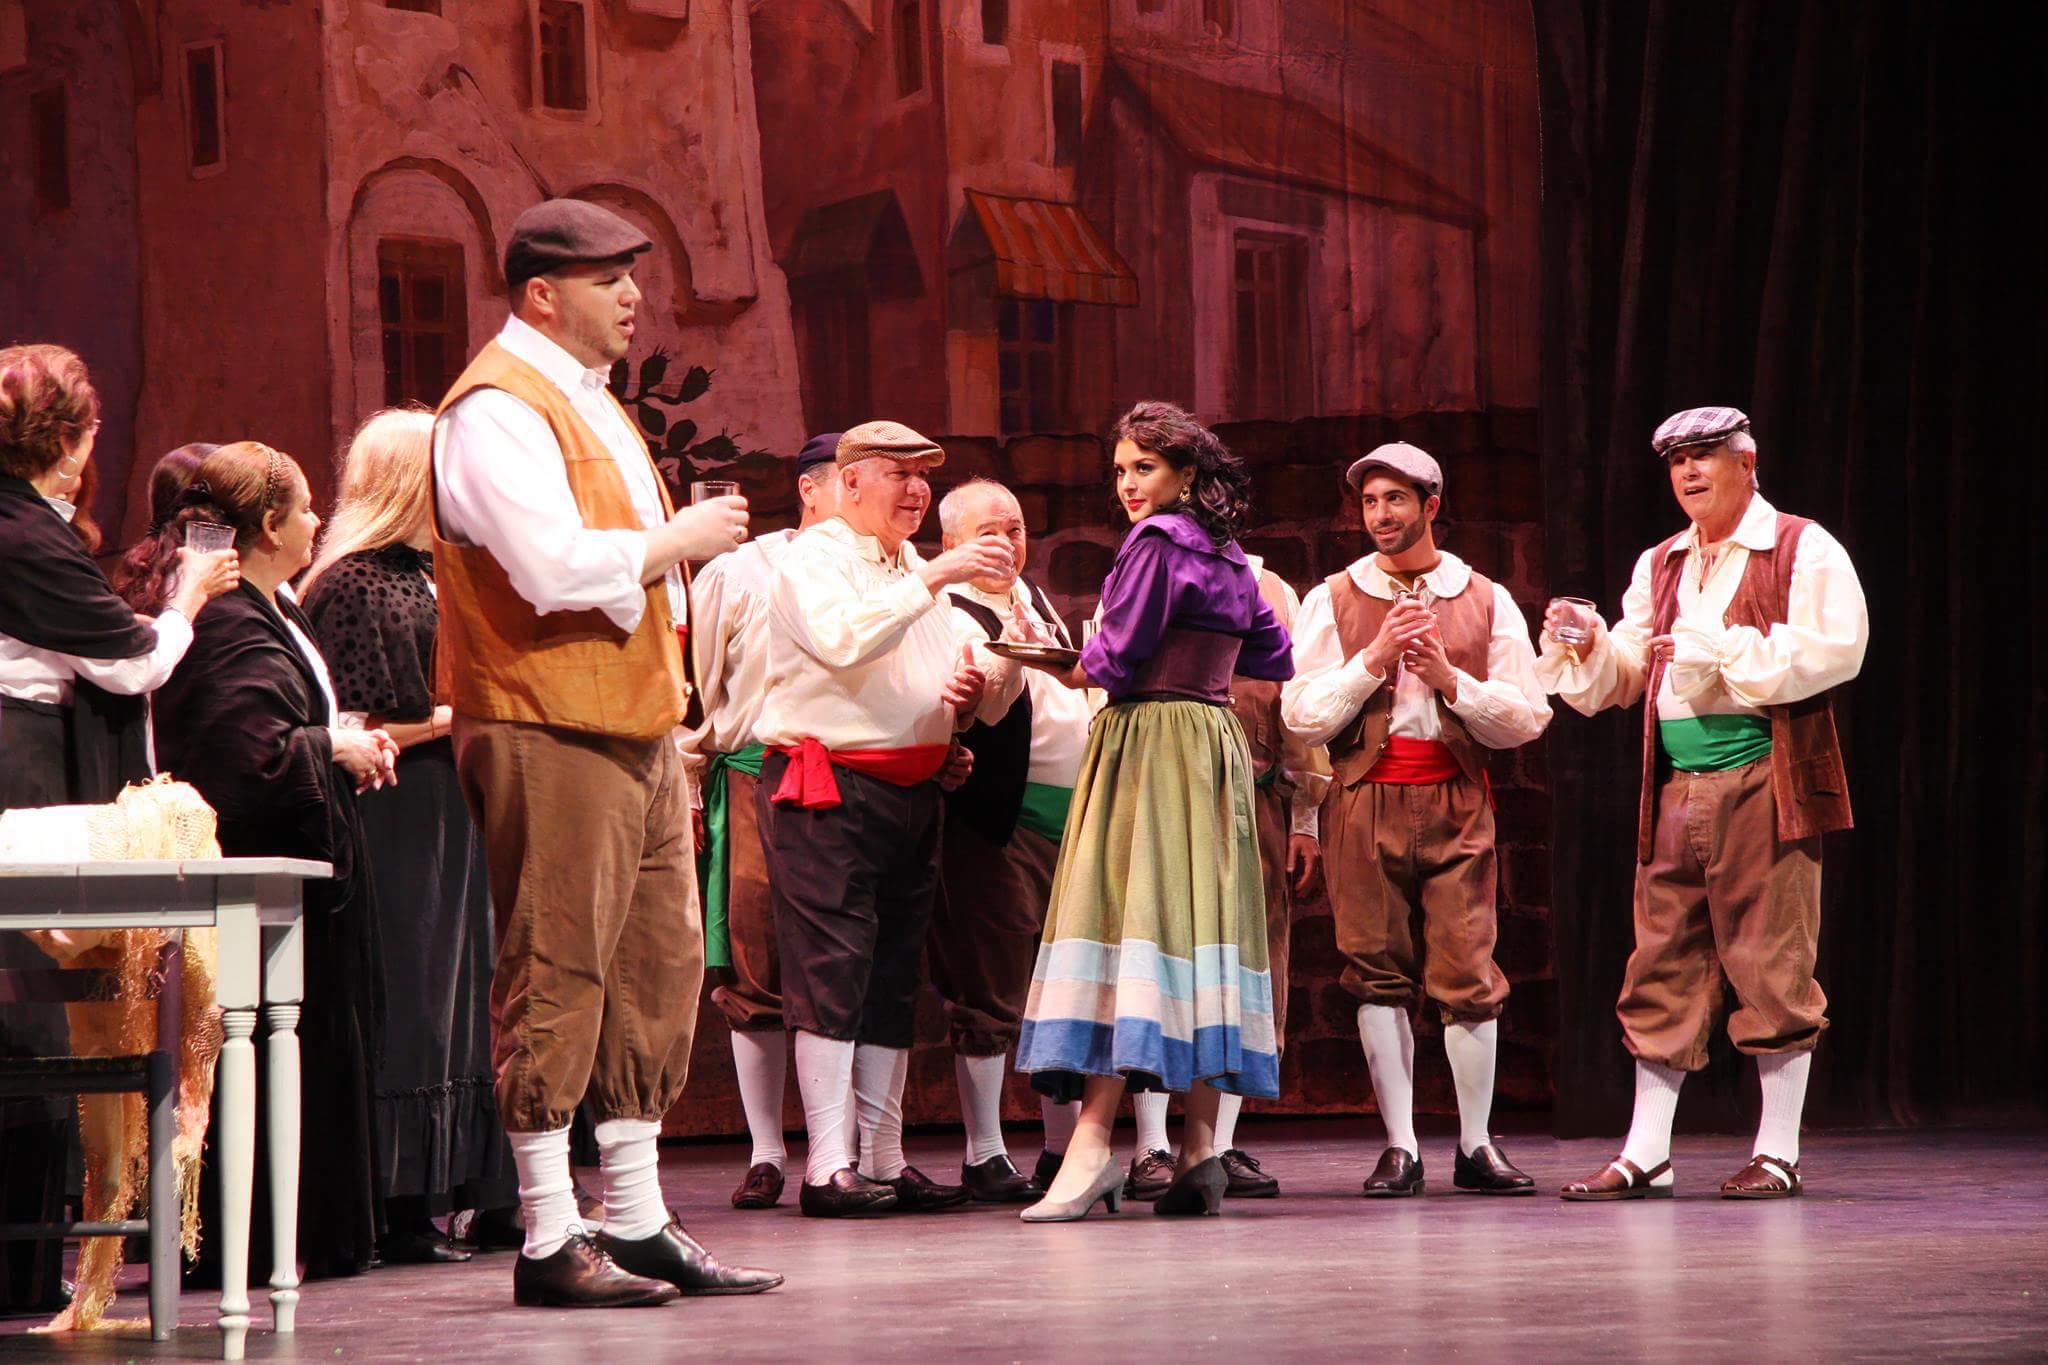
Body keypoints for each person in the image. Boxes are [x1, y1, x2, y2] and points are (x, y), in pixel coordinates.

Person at [431, 197, 779, 1306]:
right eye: (608, 279)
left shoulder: (589, 399)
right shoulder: (496, 407)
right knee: (558, 962)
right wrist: (676, 539)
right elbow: (546, 567)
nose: (633, 297)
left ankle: (634, 1218)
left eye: (632, 276)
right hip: (546, 715)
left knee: (653, 966)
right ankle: (547, 1233)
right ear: (542, 294)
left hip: (630, 716)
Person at [1539, 408, 1866, 1201]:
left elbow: (1836, 647)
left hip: (1763, 777)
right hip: (1675, 785)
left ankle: (1778, 1150)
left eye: (1706, 456)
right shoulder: (1662, 561)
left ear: (1747, 462)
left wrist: (1721, 649)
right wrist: (1588, 640)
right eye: (1677, 461)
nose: (1688, 472)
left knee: (1771, 960)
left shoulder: (1799, 545)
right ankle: (1647, 1152)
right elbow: (1631, 669)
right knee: (1661, 961)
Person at [1014, 399, 1292, 1222]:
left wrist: (1057, 660)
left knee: (1124, 920)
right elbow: (1273, 651)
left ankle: (1091, 1147)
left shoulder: (1155, 542)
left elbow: (1111, 658)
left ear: (1186, 473)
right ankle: (1199, 1147)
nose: (1129, 486)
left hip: (1150, 740)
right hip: (1213, 742)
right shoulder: (1230, 553)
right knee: (1197, 928)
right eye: (1121, 471)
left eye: (1145, 467)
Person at [0, 345, 236, 1310]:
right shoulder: (22, 533)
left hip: (34, 761)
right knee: (33, 1023)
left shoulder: (32, 527)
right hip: (22, 773)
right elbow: (132, 660)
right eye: (90, 427)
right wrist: (189, 598)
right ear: (67, 440)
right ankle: (23, 1269)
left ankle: (34, 1261)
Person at [149, 441, 401, 1280]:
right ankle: (263, 1236)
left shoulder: (272, 605)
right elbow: (241, 758)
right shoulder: (228, 620)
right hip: (258, 883)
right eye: (304, 509)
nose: (318, 519)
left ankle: (311, 1229)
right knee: (265, 1049)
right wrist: (334, 747)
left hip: (302, 872)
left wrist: (343, 742)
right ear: (267, 524)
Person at [1281, 442, 1552, 1198]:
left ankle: (1476, 1144)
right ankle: (1401, 1144)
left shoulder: (1484, 596)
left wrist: (1449, 679)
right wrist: (1373, 658)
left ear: (1431, 505)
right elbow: (1301, 715)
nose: (1380, 515)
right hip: (1364, 796)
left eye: (1395, 499)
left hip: (1455, 796)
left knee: (1468, 971)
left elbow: (1527, 717)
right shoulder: (1334, 597)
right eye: (1370, 501)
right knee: (1375, 969)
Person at [752, 421, 1000, 1218]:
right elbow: (843, 639)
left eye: (925, 475)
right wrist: (942, 575)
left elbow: (946, 661)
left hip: (911, 791)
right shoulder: (814, 558)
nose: (918, 489)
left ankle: (885, 1158)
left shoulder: (911, 567)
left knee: (894, 975)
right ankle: (828, 1164)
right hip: (829, 787)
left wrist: (968, 700)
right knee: (832, 970)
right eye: (900, 472)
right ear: (850, 481)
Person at [300, 408, 515, 1264]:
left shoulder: (445, 572)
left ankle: (488, 1190)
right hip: (399, 806)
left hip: (463, 802)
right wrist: (462, 716)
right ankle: (403, 1202)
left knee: (477, 994)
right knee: (419, 999)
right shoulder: (353, 582)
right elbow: (353, 722)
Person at [1125, 551, 1328, 1202]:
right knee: (1159, 958)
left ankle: (1214, 1144)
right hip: (1164, 793)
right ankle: (1151, 1145)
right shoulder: (1142, 571)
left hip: (1252, 800)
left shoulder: (1269, 588)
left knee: (1245, 960)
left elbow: (1296, 709)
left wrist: (1304, 818)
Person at [680, 431, 842, 1211]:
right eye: (853, 482)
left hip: (853, 779)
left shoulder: (888, 572)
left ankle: (845, 1151)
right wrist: (699, 776)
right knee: (754, 963)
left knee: (840, 964)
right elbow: (702, 686)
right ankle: (766, 1150)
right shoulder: (741, 571)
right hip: (756, 773)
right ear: (811, 489)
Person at [927, 478, 1092, 1203]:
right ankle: (985, 1153)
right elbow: (965, 705)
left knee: (1064, 987)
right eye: (987, 532)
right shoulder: (943, 609)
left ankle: (1062, 1148)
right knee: (990, 986)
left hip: (1069, 817)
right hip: (1000, 816)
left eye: (1015, 529)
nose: (1005, 544)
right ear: (951, 544)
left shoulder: (1034, 597)